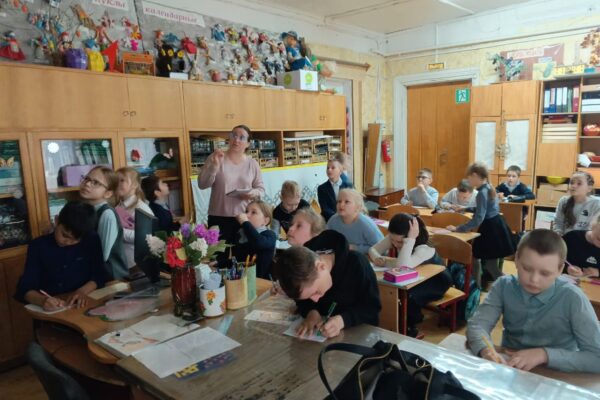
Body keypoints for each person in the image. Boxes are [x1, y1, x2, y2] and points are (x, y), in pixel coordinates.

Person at [467, 229, 600, 373]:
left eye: (545, 273)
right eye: (527, 269)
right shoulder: (503, 286)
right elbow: (478, 325)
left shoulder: (574, 298)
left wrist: (544, 355)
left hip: (557, 373)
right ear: (516, 260)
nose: (534, 280)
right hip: (511, 367)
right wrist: (486, 350)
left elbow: (597, 358)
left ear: (560, 269)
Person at [274, 230, 381, 338]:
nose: (315, 300)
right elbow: (302, 301)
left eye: (316, 292)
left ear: (321, 267)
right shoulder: (300, 270)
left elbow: (372, 309)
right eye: (310, 296)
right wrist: (311, 312)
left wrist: (343, 320)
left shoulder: (357, 264)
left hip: (356, 335)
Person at [369, 213, 452, 337]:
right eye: (392, 240)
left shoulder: (424, 248)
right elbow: (373, 250)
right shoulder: (396, 236)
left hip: (437, 281)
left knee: (407, 295)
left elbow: (402, 267)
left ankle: (410, 328)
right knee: (388, 289)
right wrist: (377, 258)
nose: (395, 244)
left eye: (399, 242)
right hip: (415, 278)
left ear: (412, 235)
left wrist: (410, 239)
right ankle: (389, 323)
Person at [15, 201, 107, 311]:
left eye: (75, 240)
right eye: (64, 235)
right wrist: (43, 300)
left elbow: (99, 275)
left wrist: (82, 291)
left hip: (81, 305)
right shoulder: (38, 246)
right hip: (51, 309)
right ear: (57, 220)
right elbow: (25, 288)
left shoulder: (91, 239)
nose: (67, 242)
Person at [447, 162, 515, 285]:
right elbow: (484, 209)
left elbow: (478, 218)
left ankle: (479, 287)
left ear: (475, 175)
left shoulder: (482, 193)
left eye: (469, 177)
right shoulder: (489, 187)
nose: (468, 180)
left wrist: (458, 228)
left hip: (491, 229)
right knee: (485, 263)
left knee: (485, 263)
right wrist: (465, 208)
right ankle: (478, 286)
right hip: (496, 225)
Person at [197, 125, 265, 247]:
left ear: (248, 143)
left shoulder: (252, 163)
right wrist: (214, 167)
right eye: (234, 135)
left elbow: (261, 190)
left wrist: (252, 193)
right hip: (218, 216)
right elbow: (202, 184)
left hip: (244, 217)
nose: (236, 140)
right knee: (217, 255)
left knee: (241, 254)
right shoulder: (216, 157)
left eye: (242, 137)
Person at [79, 166, 127, 280]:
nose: (87, 184)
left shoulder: (107, 214)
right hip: (90, 271)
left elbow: (102, 256)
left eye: (96, 183)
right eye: (87, 179)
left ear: (108, 193)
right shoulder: (86, 209)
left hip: (109, 278)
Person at [115, 167, 154, 269]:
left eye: (122, 180)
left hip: (135, 265)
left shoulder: (141, 208)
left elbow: (147, 237)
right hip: (121, 263)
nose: (117, 183)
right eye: (116, 180)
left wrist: (119, 232)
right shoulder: (118, 206)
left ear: (135, 185)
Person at [326, 189, 383, 254]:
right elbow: (325, 239)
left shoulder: (365, 224)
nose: (341, 204)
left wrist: (355, 248)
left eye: (347, 202)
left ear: (357, 207)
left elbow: (380, 248)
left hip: (366, 257)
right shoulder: (333, 220)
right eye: (339, 201)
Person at [234, 200, 277, 279]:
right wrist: (219, 263)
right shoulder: (242, 234)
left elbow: (258, 243)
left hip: (261, 281)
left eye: (253, 212)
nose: (247, 215)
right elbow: (238, 260)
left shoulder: (270, 235)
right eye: (246, 211)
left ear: (265, 221)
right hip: (243, 279)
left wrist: (245, 222)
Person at [553, 171, 600, 236]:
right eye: (572, 183)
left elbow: (593, 228)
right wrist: (558, 233)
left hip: (585, 239)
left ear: (589, 188)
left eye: (579, 183)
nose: (573, 186)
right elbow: (558, 222)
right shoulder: (563, 201)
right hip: (565, 238)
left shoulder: (596, 203)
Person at [563, 213, 600, 278]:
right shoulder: (572, 237)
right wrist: (567, 268)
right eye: (599, 239)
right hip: (567, 279)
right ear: (593, 226)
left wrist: (598, 272)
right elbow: (554, 258)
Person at [317, 157, 352, 222]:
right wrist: (338, 218)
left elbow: (351, 204)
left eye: (333, 168)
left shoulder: (349, 186)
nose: (329, 170)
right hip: (330, 220)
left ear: (340, 171)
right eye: (328, 168)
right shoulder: (321, 188)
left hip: (346, 219)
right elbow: (325, 209)